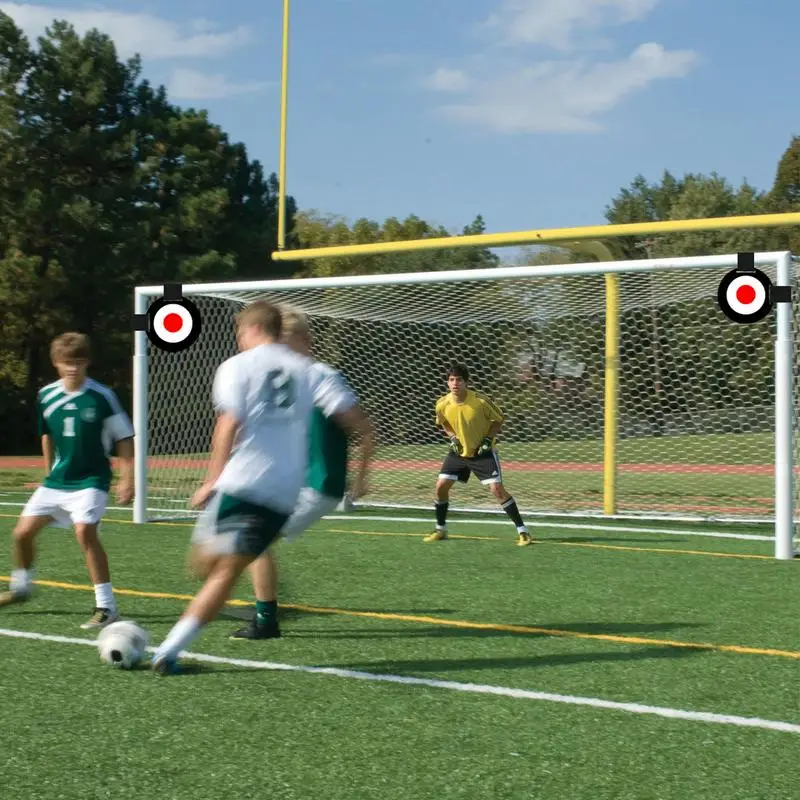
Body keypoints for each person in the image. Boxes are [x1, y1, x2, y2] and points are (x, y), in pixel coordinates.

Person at [151, 301, 362, 674]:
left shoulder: (236, 366)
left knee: (214, 570)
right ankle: (178, 644)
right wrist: (363, 469)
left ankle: (169, 651)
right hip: (282, 493)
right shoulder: (308, 371)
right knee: (215, 570)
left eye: (239, 333)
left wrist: (210, 480)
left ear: (250, 329)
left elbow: (228, 424)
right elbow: (355, 420)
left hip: (241, 482)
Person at [228, 307, 375, 641]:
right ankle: (265, 605)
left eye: (282, 340)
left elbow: (365, 430)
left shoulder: (318, 376)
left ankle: (266, 618)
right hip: (294, 481)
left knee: (252, 538)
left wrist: (362, 478)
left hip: (315, 483)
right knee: (245, 535)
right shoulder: (284, 380)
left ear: (305, 341)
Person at [0, 332, 135, 628]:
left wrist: (128, 479)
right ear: (56, 363)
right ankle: (21, 588)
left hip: (92, 479)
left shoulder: (101, 396)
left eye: (78, 361)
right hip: (58, 481)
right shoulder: (46, 395)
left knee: (85, 531)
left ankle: (107, 607)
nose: (73, 368)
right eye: (66, 362)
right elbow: (46, 432)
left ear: (87, 362)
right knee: (22, 533)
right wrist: (48, 472)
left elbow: (124, 437)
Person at [426, 361, 532, 546]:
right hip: (459, 454)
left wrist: (487, 440)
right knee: (440, 487)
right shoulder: (442, 403)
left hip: (483, 453)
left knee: (497, 490)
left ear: (467, 382)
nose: (455, 383)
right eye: (451, 380)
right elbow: (443, 422)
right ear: (447, 383)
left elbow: (498, 419)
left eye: (459, 379)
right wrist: (453, 438)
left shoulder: (480, 401)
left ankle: (523, 532)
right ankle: (440, 529)